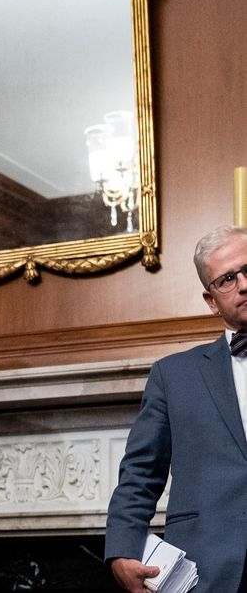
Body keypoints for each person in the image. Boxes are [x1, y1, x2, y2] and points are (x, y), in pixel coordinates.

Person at [106, 225, 247, 592]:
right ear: (211, 300)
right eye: (228, 279)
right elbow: (139, 474)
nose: (243, 284)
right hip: (210, 568)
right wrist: (122, 550)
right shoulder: (173, 375)